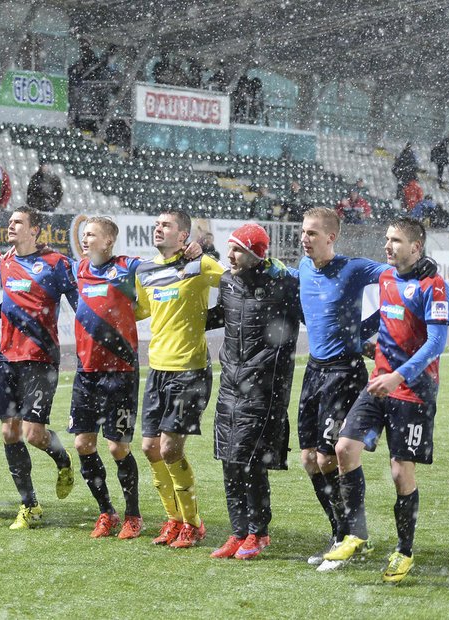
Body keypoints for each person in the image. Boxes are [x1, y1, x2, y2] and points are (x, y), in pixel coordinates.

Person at [322, 217, 449, 583]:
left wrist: (399, 375)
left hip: (413, 389)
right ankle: (356, 534)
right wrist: (357, 335)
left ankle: (404, 551)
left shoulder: (435, 286)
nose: (387, 246)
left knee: (399, 471)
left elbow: (436, 343)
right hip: (379, 382)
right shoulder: (386, 278)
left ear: (416, 247)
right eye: (386, 239)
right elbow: (385, 316)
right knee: (344, 448)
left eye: (395, 240)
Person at [291, 207, 393, 566]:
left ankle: (354, 534)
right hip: (314, 371)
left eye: (313, 233)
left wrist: (365, 332)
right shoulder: (302, 269)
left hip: (344, 373)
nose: (305, 238)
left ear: (331, 237)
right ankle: (340, 533)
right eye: (303, 232)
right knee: (308, 459)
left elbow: (397, 275)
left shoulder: (353, 268)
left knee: (329, 456)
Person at [208, 224, 300, 560]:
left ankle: (258, 532)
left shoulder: (284, 283)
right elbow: (218, 317)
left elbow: (314, 317)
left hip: (264, 388)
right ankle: (237, 532)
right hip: (230, 383)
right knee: (228, 459)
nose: (229, 256)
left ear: (256, 253)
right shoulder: (228, 282)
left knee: (249, 460)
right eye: (228, 248)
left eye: (236, 250)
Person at [134, 209, 224, 548]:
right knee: (149, 448)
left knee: (171, 449)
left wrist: (207, 255)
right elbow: (139, 310)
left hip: (189, 369)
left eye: (166, 225)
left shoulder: (198, 266)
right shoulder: (146, 270)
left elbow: (230, 279)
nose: (159, 228)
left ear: (183, 235)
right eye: (156, 224)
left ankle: (193, 523)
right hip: (157, 368)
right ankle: (173, 519)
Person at [0, 206, 78, 529]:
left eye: (18, 222)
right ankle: (29, 505)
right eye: (10, 221)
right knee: (9, 432)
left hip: (41, 358)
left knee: (33, 434)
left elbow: (78, 303)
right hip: (8, 359)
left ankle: (62, 458)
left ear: (35, 230)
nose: (11, 226)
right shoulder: (3, 262)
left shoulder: (56, 265)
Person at [68, 216, 147, 539]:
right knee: (83, 443)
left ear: (109, 241)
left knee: (117, 448)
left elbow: (161, 268)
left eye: (92, 235)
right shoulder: (77, 270)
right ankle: (106, 512)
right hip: (85, 371)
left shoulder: (127, 268)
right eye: (84, 235)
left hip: (121, 371)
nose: (85, 240)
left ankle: (133, 514)